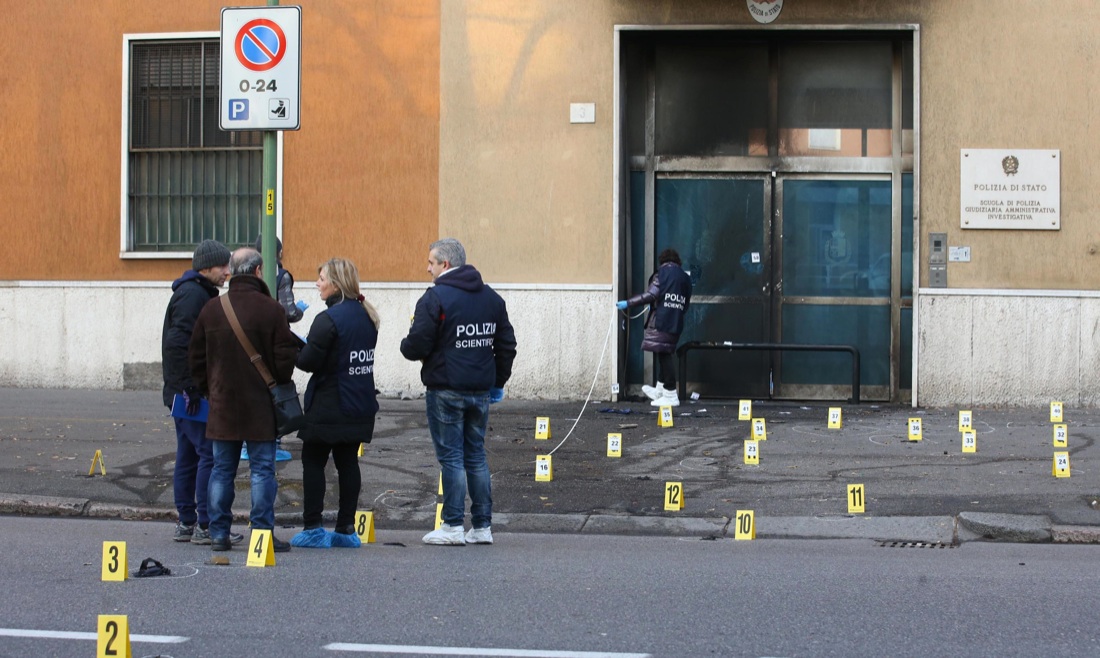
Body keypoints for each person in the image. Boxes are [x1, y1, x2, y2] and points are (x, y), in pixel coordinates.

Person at [401, 238, 517, 546]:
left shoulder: (435, 298)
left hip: (445, 389)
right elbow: (506, 346)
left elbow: (418, 343)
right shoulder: (491, 298)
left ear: (446, 265)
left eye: (431, 262)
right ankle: (481, 526)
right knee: (476, 456)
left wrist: (405, 345)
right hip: (479, 390)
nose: (427, 268)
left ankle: (452, 525)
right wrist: (496, 383)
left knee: (451, 458)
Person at [189, 248, 300, 553]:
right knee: (263, 470)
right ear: (256, 271)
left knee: (222, 470)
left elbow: (195, 359)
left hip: (223, 404)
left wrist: (211, 389)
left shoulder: (212, 308)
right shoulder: (272, 310)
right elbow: (284, 362)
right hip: (261, 405)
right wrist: (274, 381)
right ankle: (262, 534)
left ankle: (219, 533)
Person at [291, 258, 380, 549]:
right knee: (348, 463)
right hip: (359, 403)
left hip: (329, 404)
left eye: (321, 278)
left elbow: (307, 362)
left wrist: (293, 343)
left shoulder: (328, 319)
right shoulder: (367, 315)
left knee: (313, 462)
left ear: (336, 283)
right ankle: (345, 529)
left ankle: (313, 528)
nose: (317, 283)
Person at [160, 239, 242, 546]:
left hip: (182, 392)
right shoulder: (194, 295)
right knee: (208, 454)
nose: (227, 272)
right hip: (190, 395)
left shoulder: (195, 292)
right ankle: (205, 524)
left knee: (189, 456)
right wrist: (191, 388)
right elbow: (179, 344)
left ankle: (187, 521)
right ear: (206, 267)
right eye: (223, 266)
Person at [250, 235, 304, 463]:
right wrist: (300, 310)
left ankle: (248, 441)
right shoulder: (282, 276)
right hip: (276, 340)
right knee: (276, 390)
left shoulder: (249, 274)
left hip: (250, 339)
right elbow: (288, 311)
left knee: (253, 388)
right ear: (279, 253)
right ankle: (275, 441)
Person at [617, 248, 693, 407]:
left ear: (663, 261)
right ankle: (661, 390)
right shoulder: (684, 278)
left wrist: (628, 303)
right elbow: (685, 303)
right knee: (663, 351)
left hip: (662, 320)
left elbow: (651, 295)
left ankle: (671, 394)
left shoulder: (662, 274)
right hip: (676, 319)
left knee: (665, 355)